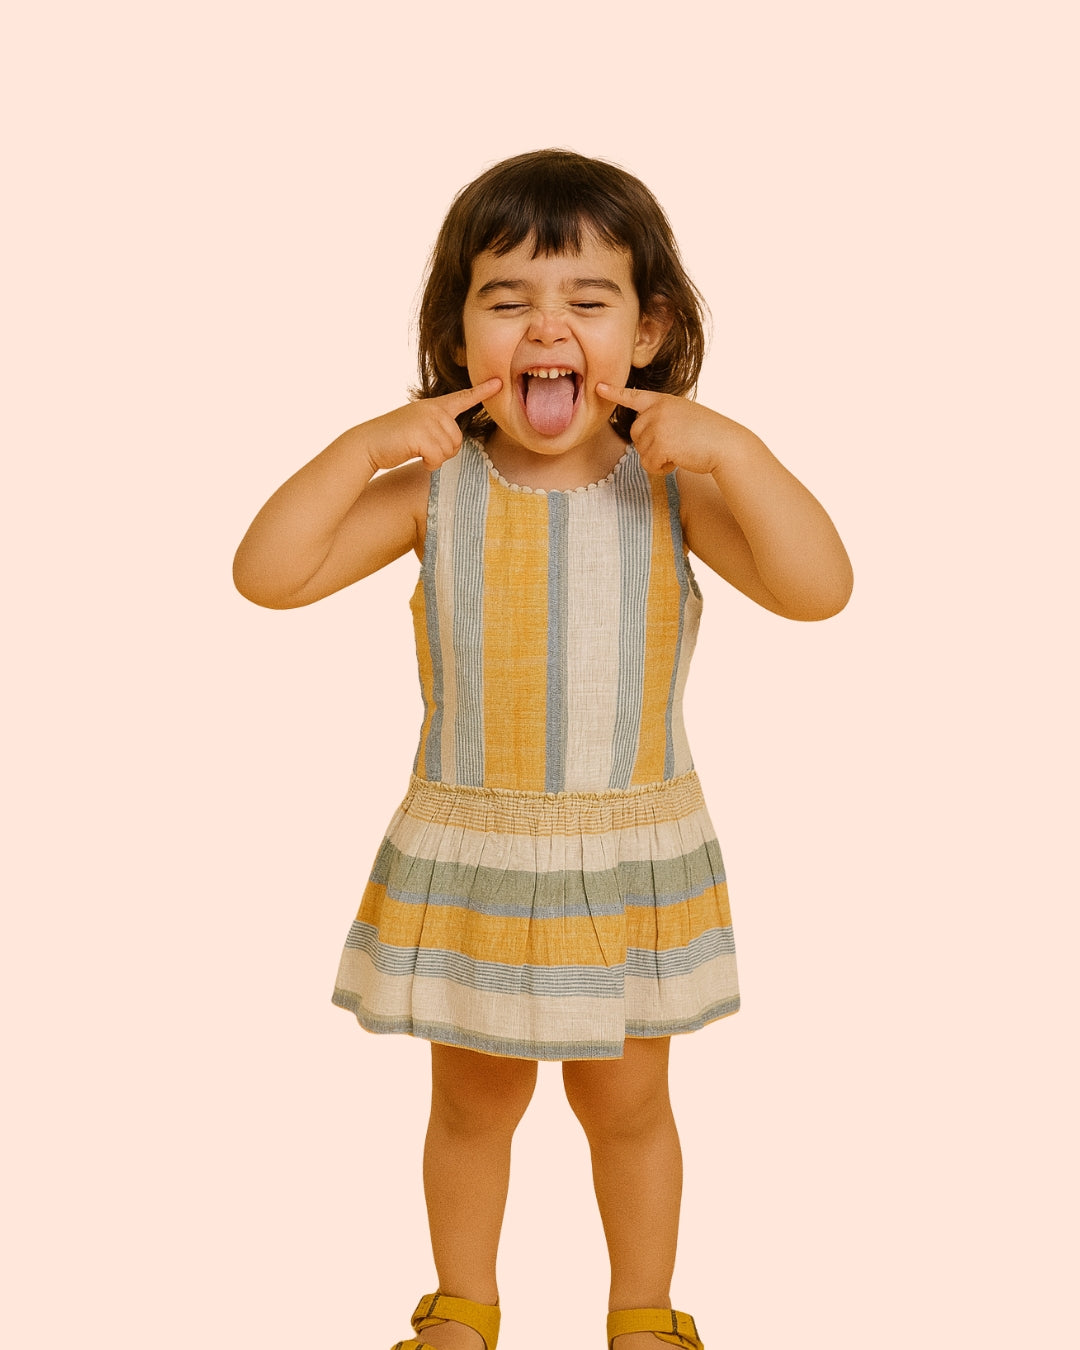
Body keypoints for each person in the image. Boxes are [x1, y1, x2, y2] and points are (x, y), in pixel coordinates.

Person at [233, 148, 852, 1350]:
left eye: (588, 300)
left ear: (650, 329)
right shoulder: (438, 491)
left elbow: (818, 589)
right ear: (457, 333)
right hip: (479, 856)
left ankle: (644, 1313)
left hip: (625, 860)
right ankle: (462, 1307)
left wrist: (738, 450)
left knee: (629, 1106)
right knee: (472, 1107)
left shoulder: (671, 488)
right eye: (507, 300)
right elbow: (268, 573)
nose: (546, 327)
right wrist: (366, 446)